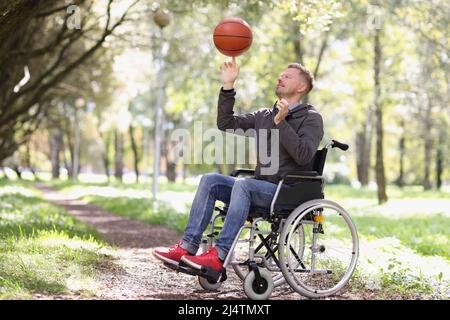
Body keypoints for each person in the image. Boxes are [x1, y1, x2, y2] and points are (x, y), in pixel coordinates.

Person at [153, 57, 324, 277]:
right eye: (281, 74)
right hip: (261, 186)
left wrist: (282, 123)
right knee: (210, 180)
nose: (280, 77)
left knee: (244, 185)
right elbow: (226, 123)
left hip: (287, 191)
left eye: (287, 76)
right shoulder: (265, 115)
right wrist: (228, 86)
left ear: (301, 87)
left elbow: (303, 155)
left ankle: (218, 257)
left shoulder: (311, 118)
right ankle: (187, 248)